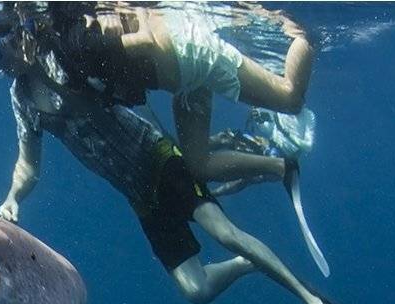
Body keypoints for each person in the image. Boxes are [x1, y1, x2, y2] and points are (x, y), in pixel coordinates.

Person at [0, 8, 395, 304]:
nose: (1, 62)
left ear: (23, 38)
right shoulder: (22, 99)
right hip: (138, 194)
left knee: (226, 233)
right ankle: (253, 262)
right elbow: (28, 164)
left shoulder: (65, 59)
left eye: (3, 48)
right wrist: (13, 197)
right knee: (196, 289)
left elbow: (125, 67)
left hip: (157, 159)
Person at [41, 1, 313, 187]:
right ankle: (281, 166)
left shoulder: (77, 33)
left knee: (290, 99)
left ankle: (304, 35)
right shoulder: (68, 34)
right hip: (185, 80)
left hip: (194, 54)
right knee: (199, 166)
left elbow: (141, 39)